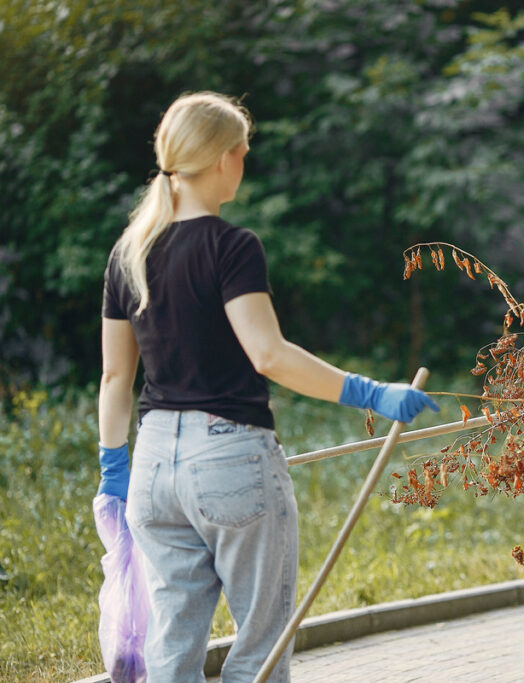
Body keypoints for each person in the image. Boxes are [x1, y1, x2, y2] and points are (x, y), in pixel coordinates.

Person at [96, 91, 439, 682]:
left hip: (151, 467)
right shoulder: (232, 247)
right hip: (229, 459)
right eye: (243, 152)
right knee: (260, 645)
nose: (244, 164)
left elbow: (114, 377)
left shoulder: (129, 253)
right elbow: (268, 353)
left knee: (171, 645)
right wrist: (370, 393)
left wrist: (112, 463)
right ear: (225, 157)